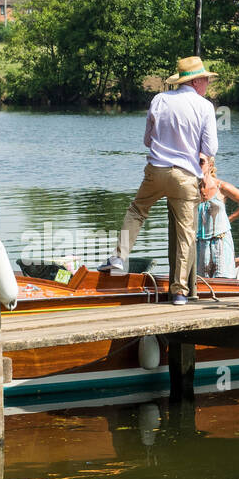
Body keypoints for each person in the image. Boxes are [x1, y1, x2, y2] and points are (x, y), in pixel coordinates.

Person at [99, 56, 219, 306]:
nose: (208, 82)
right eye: (206, 78)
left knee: (137, 210)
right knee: (186, 234)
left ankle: (119, 257)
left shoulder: (159, 99)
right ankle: (179, 292)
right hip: (185, 176)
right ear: (196, 81)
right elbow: (210, 148)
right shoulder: (205, 106)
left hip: (156, 171)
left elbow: (147, 140)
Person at [196, 156, 239, 278]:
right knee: (200, 280)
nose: (197, 164)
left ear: (210, 165)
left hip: (220, 241)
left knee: (222, 277)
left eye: (201, 161)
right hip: (200, 243)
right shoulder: (192, 189)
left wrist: (229, 219)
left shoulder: (221, 187)